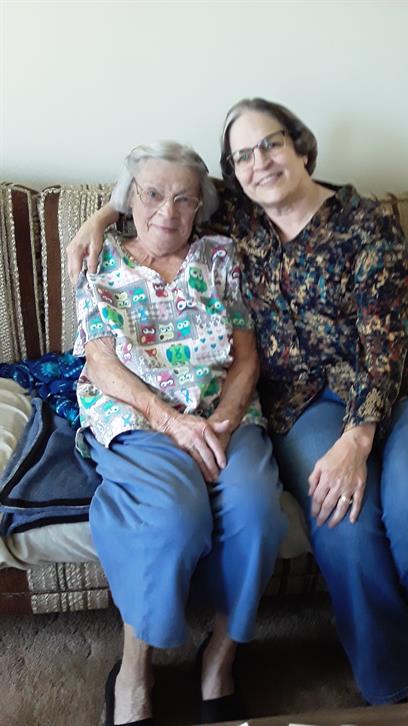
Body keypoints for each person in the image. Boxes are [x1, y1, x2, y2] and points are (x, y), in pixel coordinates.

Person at [67, 101, 408, 707]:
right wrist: (102, 215)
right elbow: (160, 194)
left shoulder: (364, 224)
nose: (259, 162)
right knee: (340, 517)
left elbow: (383, 346)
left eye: (271, 144)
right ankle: (405, 678)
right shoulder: (238, 216)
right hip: (308, 401)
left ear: (301, 148)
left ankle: (407, 651)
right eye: (243, 155)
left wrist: (357, 438)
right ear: (235, 174)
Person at [72, 140, 287, 726]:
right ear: (130, 200)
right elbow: (100, 363)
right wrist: (171, 421)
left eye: (184, 199)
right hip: (140, 414)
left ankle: (219, 659)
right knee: (171, 516)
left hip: (223, 415)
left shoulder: (222, 256)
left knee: (259, 515)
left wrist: (222, 420)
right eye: (153, 195)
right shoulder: (99, 257)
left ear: (200, 208)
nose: (167, 211)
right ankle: (134, 673)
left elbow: (246, 357)